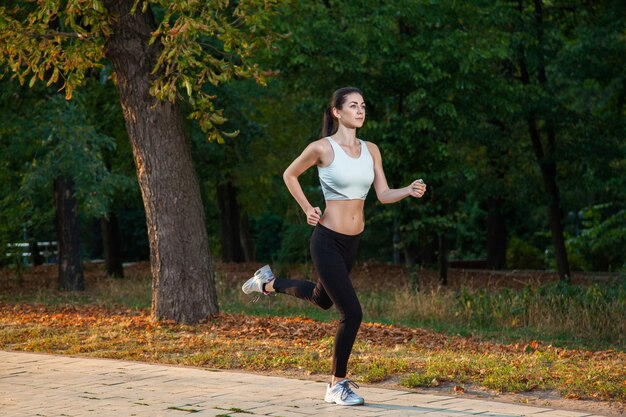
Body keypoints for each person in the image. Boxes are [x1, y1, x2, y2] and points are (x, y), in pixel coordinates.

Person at [241, 87, 427, 406]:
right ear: (337, 112)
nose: (360, 110)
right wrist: (307, 209)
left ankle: (267, 283)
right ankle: (336, 384)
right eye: (353, 106)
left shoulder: (372, 150)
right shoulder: (322, 149)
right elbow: (290, 174)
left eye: (363, 106)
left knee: (321, 298)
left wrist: (407, 190)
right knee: (351, 313)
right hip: (326, 239)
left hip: (351, 242)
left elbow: (382, 194)